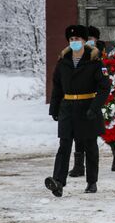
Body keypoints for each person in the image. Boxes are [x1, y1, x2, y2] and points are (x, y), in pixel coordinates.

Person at [45, 25, 110, 197]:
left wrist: (94, 108)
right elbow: (57, 87)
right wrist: (54, 108)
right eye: (71, 40)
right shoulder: (63, 62)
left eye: (78, 39)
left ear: (84, 41)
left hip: (87, 107)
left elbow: (104, 88)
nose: (74, 42)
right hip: (67, 108)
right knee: (64, 145)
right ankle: (58, 182)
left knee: (90, 146)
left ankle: (92, 181)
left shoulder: (94, 61)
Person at [68, 25, 115, 177]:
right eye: (88, 39)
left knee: (106, 131)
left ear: (96, 39)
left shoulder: (103, 54)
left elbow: (109, 75)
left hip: (102, 98)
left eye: (92, 39)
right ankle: (79, 165)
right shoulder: (79, 54)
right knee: (79, 133)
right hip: (82, 100)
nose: (89, 42)